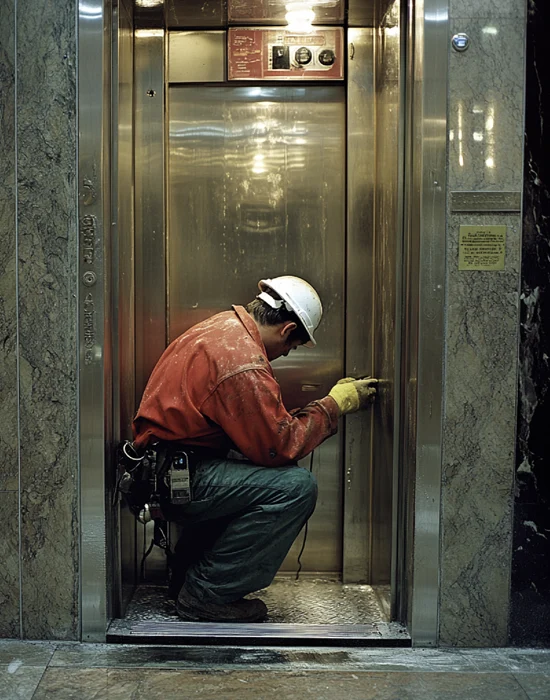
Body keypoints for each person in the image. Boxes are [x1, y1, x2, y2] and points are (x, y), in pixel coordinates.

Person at [132, 275, 378, 623]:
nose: (286, 355)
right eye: (291, 347)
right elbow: (279, 446)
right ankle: (205, 594)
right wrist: (334, 405)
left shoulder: (223, 328)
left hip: (170, 467)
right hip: (181, 477)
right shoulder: (242, 362)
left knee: (250, 478)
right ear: (287, 329)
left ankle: (190, 577)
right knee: (294, 489)